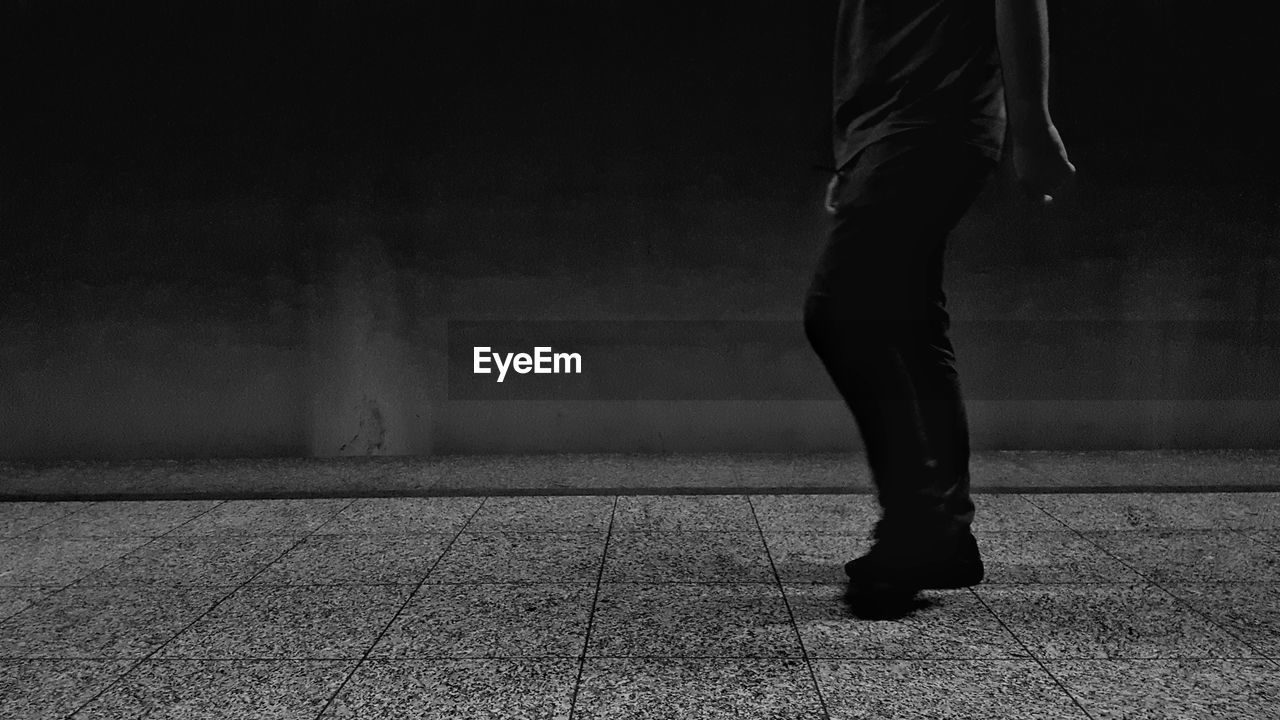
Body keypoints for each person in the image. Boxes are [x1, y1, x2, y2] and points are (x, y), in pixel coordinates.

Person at [803, 0, 1075, 613]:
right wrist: (853, 150)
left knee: (838, 313)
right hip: (888, 132)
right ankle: (945, 535)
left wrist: (1032, 123)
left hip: (932, 121)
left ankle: (920, 526)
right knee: (911, 324)